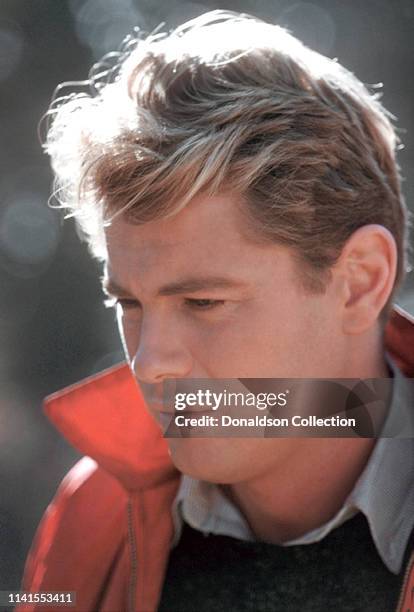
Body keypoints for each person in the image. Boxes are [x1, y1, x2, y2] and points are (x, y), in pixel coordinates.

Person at [18, 10, 414, 612]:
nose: (150, 363)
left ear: (360, 282)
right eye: (128, 302)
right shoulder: (94, 511)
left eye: (203, 302)